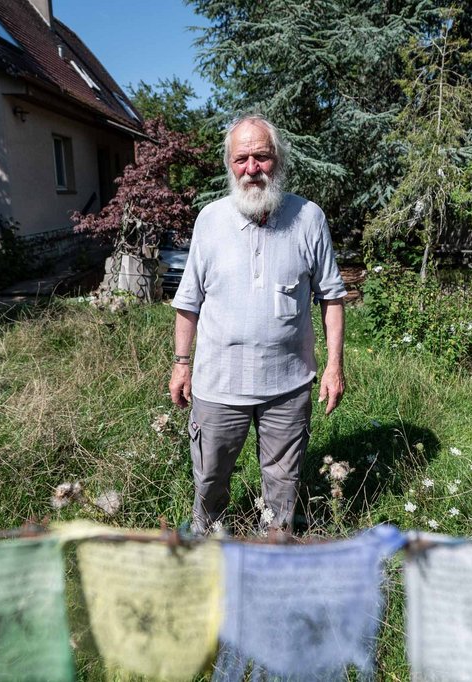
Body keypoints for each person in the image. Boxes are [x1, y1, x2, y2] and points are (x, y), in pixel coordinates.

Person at [169, 113, 346, 535]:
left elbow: (333, 296)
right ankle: (208, 544)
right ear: (229, 165)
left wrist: (335, 366)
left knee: (283, 485)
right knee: (210, 479)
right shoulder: (210, 220)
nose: (252, 169)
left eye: (262, 157)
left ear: (278, 160)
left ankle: (273, 551)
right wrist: (180, 363)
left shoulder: (308, 218)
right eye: (242, 159)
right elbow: (188, 301)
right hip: (218, 386)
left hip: (287, 386)